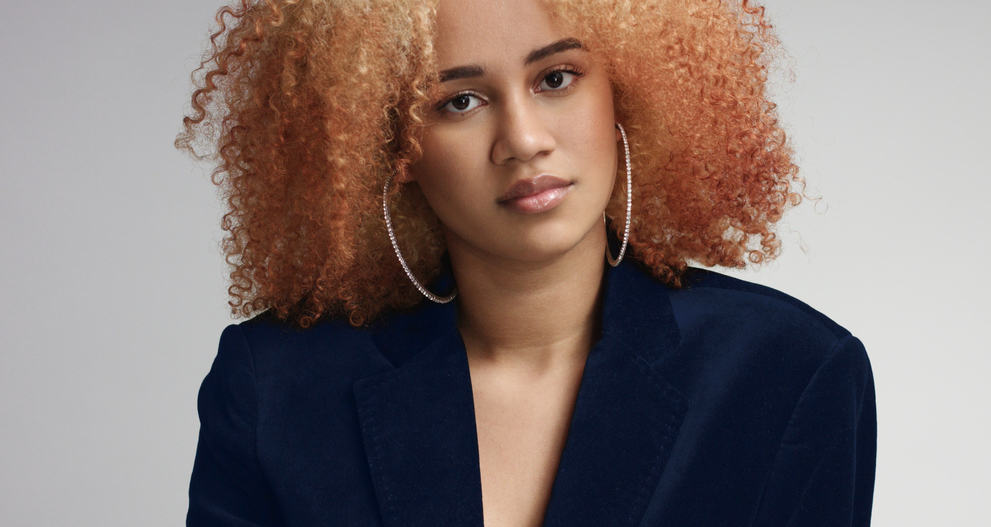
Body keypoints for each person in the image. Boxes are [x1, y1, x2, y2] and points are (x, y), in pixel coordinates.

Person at [178, 0, 877, 525]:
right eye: (459, 101)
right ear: (390, 149)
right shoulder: (276, 386)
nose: (523, 139)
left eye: (556, 77)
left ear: (624, 94)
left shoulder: (787, 373)